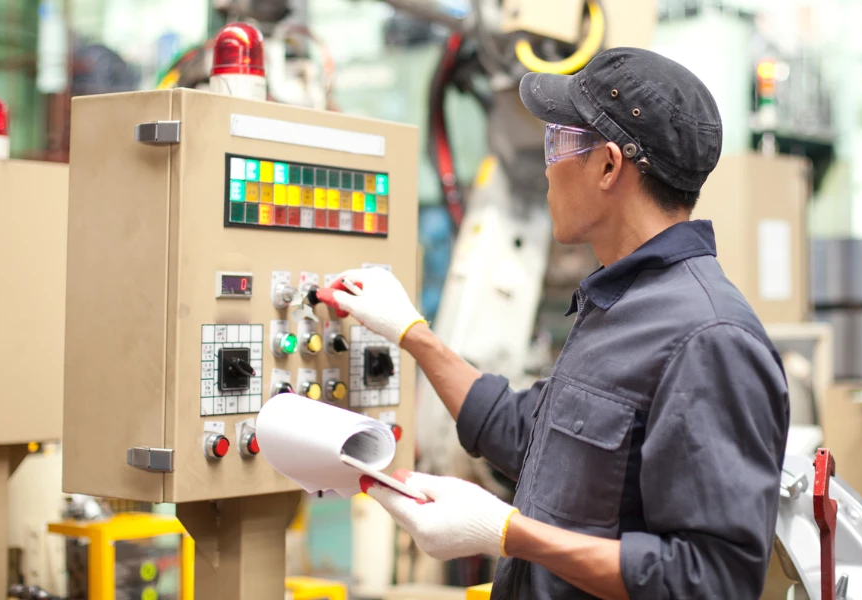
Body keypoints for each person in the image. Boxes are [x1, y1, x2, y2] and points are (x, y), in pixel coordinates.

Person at [317, 47, 789, 600]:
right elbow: (530, 434)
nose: (548, 165)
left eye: (561, 143)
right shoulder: (618, 303)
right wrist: (410, 333)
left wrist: (509, 534)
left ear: (610, 166)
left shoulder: (709, 340)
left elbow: (710, 581)